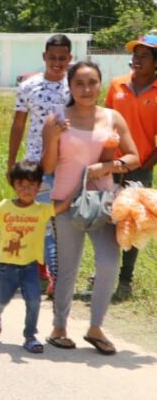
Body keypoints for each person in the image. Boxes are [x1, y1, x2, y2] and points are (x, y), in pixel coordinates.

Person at [41, 61, 139, 355]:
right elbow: (47, 167)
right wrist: (55, 137)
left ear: (101, 84)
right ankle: (59, 327)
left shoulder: (113, 117)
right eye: (79, 84)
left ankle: (96, 327)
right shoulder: (56, 119)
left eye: (92, 82)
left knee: (109, 264)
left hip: (104, 203)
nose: (86, 89)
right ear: (69, 87)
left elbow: (134, 156)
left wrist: (107, 166)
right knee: (68, 268)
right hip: (65, 201)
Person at [8, 35, 72, 292]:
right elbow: (18, 125)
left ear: (69, 58)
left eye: (62, 58)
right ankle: (48, 275)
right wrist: (11, 162)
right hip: (36, 164)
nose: (57, 63)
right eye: (52, 57)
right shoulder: (28, 86)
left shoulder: (75, 85)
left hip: (67, 163)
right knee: (43, 222)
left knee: (64, 223)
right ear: (44, 57)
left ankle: (58, 274)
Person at [0, 160, 54, 353]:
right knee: (4, 297)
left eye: (31, 185)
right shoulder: (6, 206)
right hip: (7, 265)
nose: (26, 189)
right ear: (13, 185)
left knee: (34, 300)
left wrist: (77, 188)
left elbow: (62, 207)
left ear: (39, 187)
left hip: (30, 265)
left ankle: (30, 335)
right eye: (21, 185)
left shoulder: (42, 210)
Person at [106, 33, 157, 300]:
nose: (137, 59)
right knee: (106, 219)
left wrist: (145, 164)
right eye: (135, 55)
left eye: (144, 55)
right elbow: (102, 121)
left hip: (141, 167)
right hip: (110, 165)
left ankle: (125, 281)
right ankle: (104, 275)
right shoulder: (116, 85)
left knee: (133, 224)